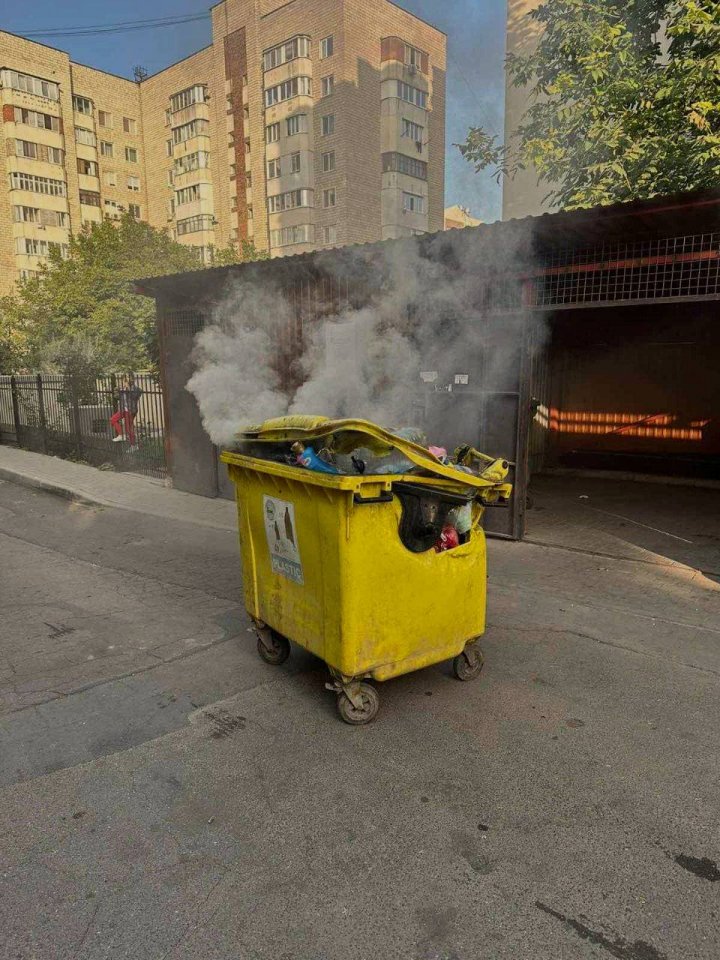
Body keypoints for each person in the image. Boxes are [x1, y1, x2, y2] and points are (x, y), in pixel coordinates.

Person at [110, 375, 143, 447]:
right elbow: (117, 397)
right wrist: (117, 391)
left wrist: (128, 390)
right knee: (113, 419)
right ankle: (121, 435)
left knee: (128, 428)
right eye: (123, 381)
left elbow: (136, 396)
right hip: (123, 410)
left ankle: (133, 445)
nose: (122, 383)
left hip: (130, 411)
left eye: (124, 381)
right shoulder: (123, 389)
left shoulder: (136, 389)